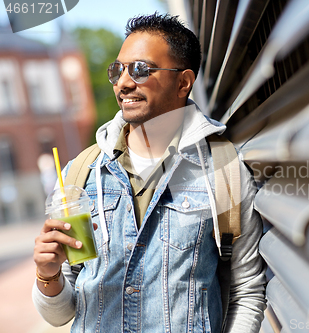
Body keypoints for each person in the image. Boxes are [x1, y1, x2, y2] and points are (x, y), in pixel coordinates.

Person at [33, 13, 266, 333]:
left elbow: (246, 291)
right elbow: (61, 313)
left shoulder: (224, 171)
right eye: (118, 70)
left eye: (141, 69)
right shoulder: (80, 175)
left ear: (183, 82)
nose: (124, 82)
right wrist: (48, 275)